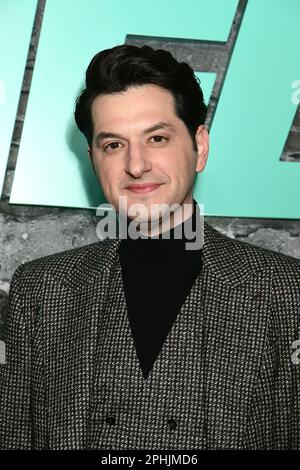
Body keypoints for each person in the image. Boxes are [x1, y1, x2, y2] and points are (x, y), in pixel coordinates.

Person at [0, 44, 299, 450]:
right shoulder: (40, 290)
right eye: (113, 145)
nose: (136, 165)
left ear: (200, 147)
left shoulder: (286, 289)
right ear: (93, 159)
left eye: (157, 138)